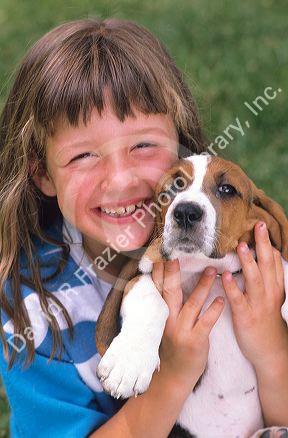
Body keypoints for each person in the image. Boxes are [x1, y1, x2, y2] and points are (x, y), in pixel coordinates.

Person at [0, 17, 287, 438]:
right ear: (42, 173)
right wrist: (173, 374)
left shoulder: (254, 271)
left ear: (180, 147)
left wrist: (271, 346)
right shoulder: (31, 312)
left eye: (143, 146)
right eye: (83, 156)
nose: (120, 180)